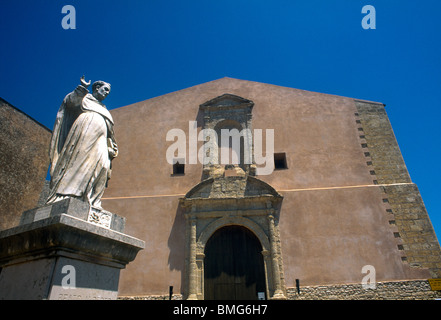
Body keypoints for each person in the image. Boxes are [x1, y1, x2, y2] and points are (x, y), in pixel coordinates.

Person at [46, 76, 118, 210]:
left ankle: (92, 200)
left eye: (109, 91)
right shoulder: (85, 99)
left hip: (101, 142)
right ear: (97, 88)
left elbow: (111, 134)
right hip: (84, 135)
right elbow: (70, 102)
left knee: (102, 166)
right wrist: (82, 89)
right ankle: (67, 195)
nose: (107, 93)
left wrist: (112, 147)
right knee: (79, 162)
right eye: (105, 89)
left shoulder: (105, 110)